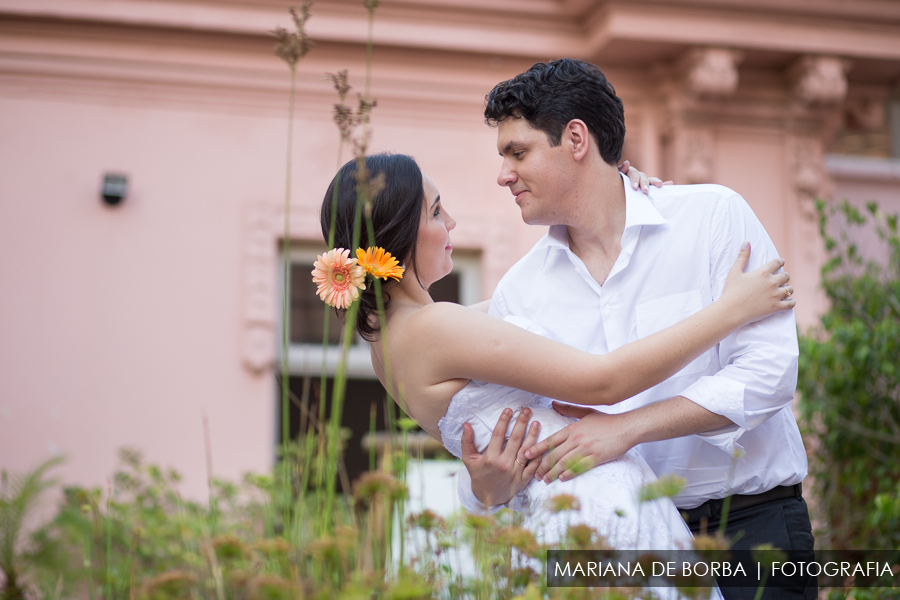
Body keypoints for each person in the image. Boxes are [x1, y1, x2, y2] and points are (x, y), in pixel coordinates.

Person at [458, 58, 814, 599]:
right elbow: (518, 438)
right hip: (618, 543)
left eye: (518, 152)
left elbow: (769, 375)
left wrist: (628, 428)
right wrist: (485, 485)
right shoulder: (520, 291)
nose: (503, 173)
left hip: (752, 530)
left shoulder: (712, 218)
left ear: (576, 138)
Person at [315, 152, 794, 554]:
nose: (452, 222)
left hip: (589, 509)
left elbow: (525, 313)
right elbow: (602, 381)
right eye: (437, 211)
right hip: (597, 509)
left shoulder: (396, 342)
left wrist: (619, 195)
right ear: (397, 234)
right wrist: (731, 310)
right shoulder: (435, 329)